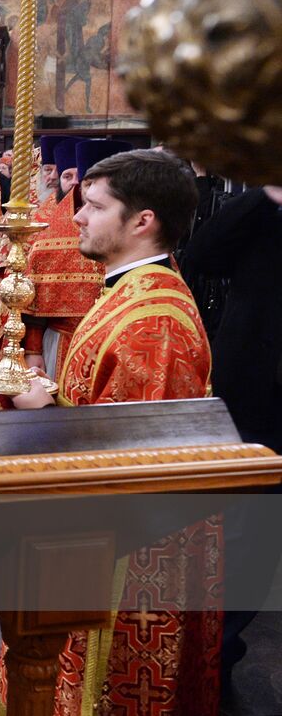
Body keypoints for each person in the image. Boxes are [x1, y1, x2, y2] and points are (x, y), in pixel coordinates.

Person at [6, 149, 219, 715]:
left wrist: (41, 412)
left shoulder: (155, 321)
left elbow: (135, 461)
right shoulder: (127, 290)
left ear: (142, 221)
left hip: (124, 565)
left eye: (95, 207)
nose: (75, 216)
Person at [184, 183, 282, 686]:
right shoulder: (262, 210)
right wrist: (268, 195)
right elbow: (202, 253)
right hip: (254, 392)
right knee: (245, 525)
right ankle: (217, 651)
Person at [19, 140, 126, 378]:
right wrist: (33, 350)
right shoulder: (53, 230)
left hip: (122, 345)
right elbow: (34, 304)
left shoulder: (140, 234)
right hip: (64, 341)